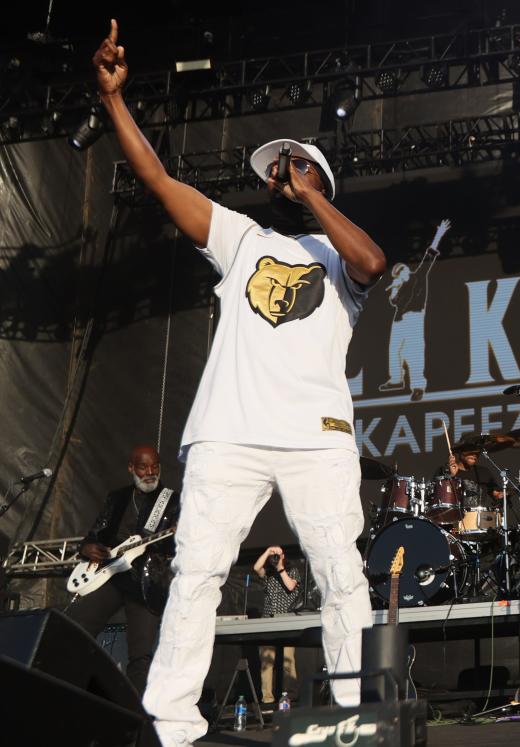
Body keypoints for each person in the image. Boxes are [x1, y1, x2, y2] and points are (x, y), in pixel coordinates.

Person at [92, 20, 386, 747]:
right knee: (196, 572)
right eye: (277, 168)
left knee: (341, 574)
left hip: (316, 438)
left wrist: (313, 195)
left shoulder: (338, 252)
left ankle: (351, 718)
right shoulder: (242, 238)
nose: (282, 172)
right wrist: (114, 102)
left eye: (297, 164)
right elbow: (160, 183)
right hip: (228, 432)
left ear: (319, 178)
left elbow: (375, 264)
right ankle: (171, 725)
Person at [67, 445, 179, 694]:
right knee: (76, 629)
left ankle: (138, 715)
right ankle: (77, 690)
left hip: (147, 580)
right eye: (143, 467)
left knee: (141, 654)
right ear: (131, 468)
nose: (150, 472)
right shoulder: (117, 498)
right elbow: (95, 533)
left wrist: (179, 533)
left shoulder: (172, 501)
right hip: (111, 575)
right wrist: (87, 547)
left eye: (155, 466)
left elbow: (180, 543)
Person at [379, 220, 449, 401]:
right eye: (396, 273)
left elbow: (429, 256)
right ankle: (396, 379)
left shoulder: (417, 277)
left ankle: (418, 386)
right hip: (399, 320)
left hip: (413, 318)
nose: (399, 274)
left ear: (405, 270)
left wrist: (438, 235)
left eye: (400, 271)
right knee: (394, 350)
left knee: (413, 352)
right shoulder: (399, 288)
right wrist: (395, 288)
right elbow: (393, 302)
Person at [253, 546, 302, 706]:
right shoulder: (268, 573)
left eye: (278, 554)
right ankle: (267, 698)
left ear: (284, 556)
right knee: (267, 661)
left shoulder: (292, 571)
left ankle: (291, 696)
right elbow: (256, 567)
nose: (275, 557)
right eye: (273, 555)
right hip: (268, 620)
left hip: (287, 620)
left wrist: (280, 567)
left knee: (288, 659)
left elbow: (290, 586)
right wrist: (267, 551)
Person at [436, 450, 502, 511]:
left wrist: (502, 494)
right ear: (460, 452)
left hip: (477, 518)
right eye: (470, 451)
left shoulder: (484, 472)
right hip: (452, 516)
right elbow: (439, 497)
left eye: (477, 452)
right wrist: (452, 475)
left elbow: (496, 494)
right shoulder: (444, 471)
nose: (474, 455)